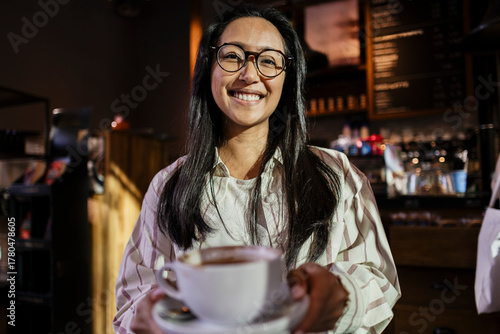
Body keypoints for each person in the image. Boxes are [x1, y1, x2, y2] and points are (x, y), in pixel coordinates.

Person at [114, 6, 400, 334]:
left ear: (287, 78)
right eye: (233, 56)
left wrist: (345, 296)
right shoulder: (169, 185)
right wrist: (148, 316)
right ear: (209, 70)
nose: (250, 75)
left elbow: (380, 281)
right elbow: (131, 301)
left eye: (268, 60)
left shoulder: (337, 175)